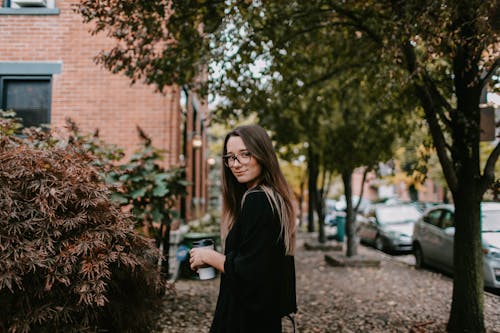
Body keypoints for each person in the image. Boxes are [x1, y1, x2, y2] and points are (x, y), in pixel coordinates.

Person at [189, 124, 297, 333]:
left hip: (245, 320)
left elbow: (251, 271)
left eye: (245, 154)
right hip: (262, 318)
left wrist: (208, 256)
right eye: (230, 157)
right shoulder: (273, 198)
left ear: (262, 155)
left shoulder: (258, 200)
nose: (236, 164)